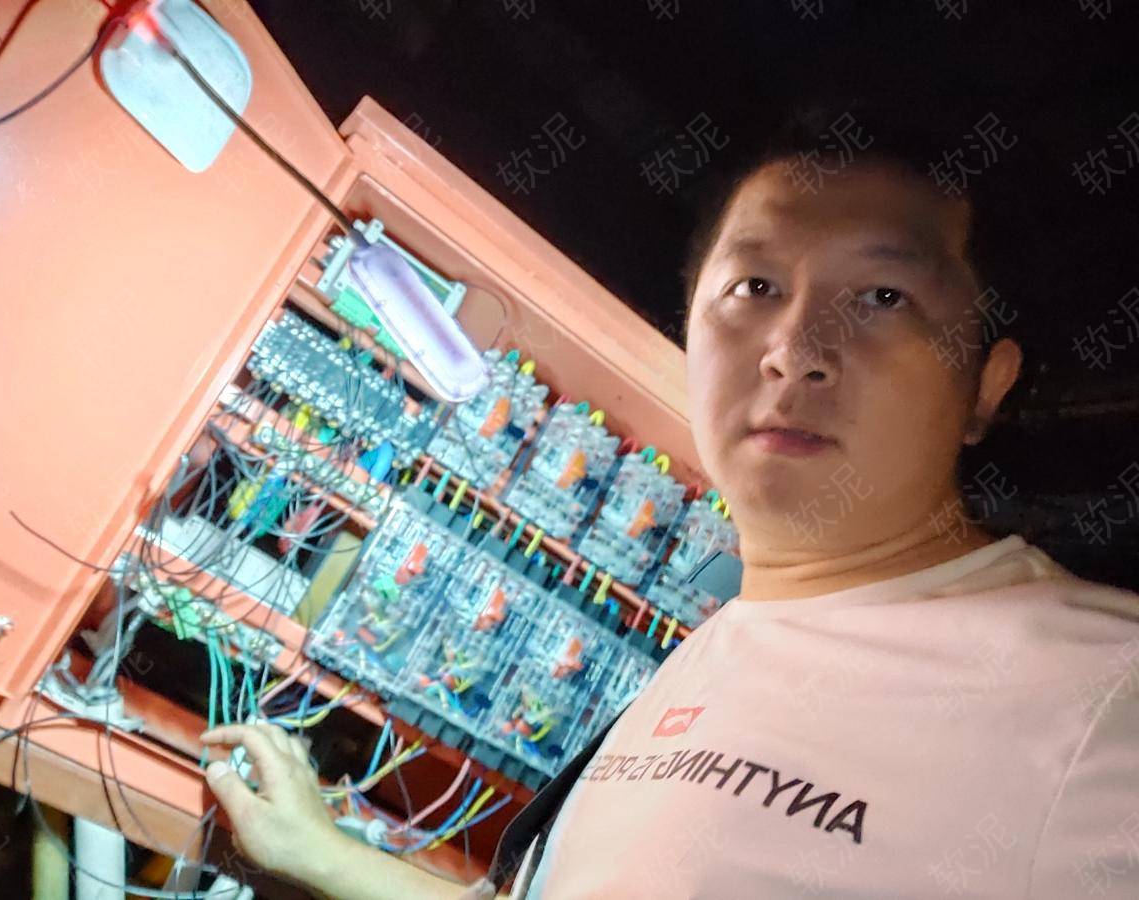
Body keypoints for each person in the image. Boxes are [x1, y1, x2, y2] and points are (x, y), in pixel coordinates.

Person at [199, 107, 1139, 898]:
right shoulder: (713, 653)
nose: (794, 348)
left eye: (883, 296)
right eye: (755, 286)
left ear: (985, 385)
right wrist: (321, 852)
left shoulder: (1099, 691)